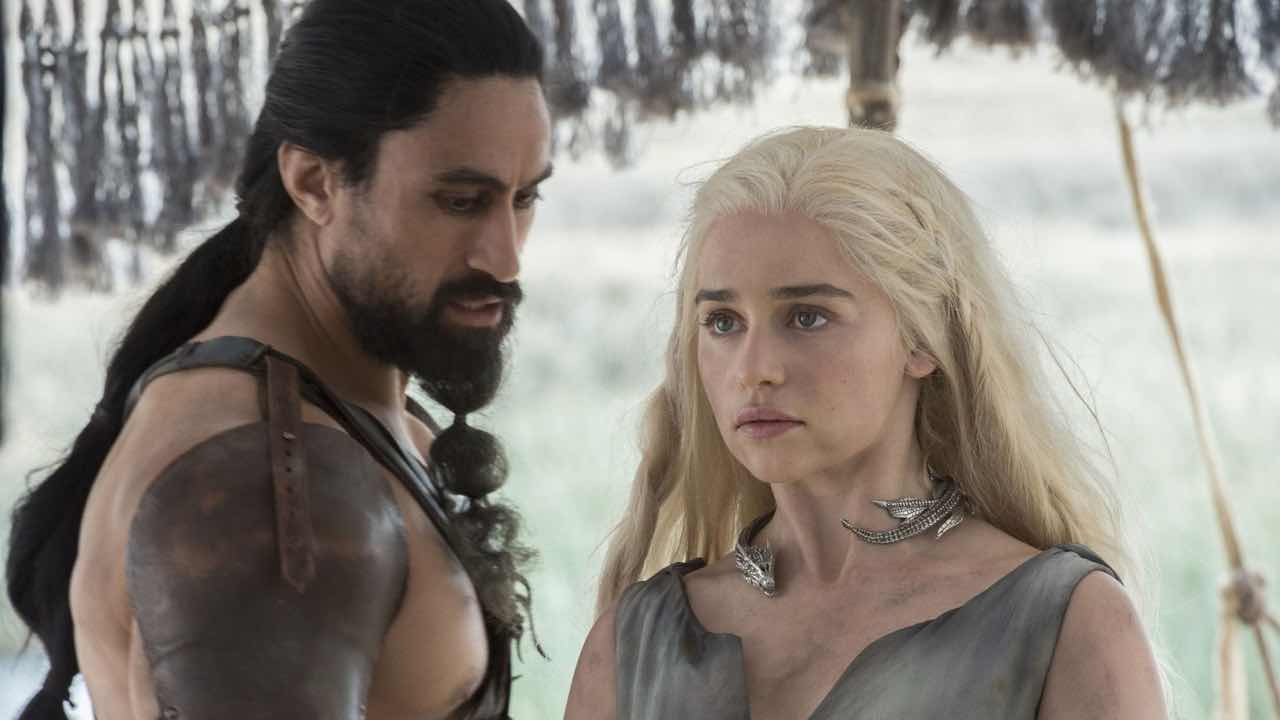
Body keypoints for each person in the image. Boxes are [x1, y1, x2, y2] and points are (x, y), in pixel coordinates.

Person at [6, 1, 553, 718]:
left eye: (524, 198)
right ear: (315, 184)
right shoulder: (271, 488)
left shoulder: (330, 414)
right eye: (460, 201)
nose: (506, 259)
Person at [565, 126, 1165, 719]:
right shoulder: (631, 646)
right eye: (723, 322)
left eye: (806, 317)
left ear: (922, 338)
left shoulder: (1068, 624)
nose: (753, 370)